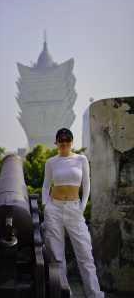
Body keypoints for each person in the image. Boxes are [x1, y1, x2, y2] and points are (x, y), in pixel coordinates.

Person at [42, 128, 105, 298]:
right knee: (57, 256)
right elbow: (46, 185)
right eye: (61, 141)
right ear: (56, 143)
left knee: (85, 253)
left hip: (74, 209)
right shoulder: (51, 162)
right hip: (54, 208)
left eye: (67, 141)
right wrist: (46, 205)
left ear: (71, 142)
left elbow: (87, 184)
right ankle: (63, 292)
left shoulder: (81, 159)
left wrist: (81, 207)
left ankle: (94, 294)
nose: (64, 144)